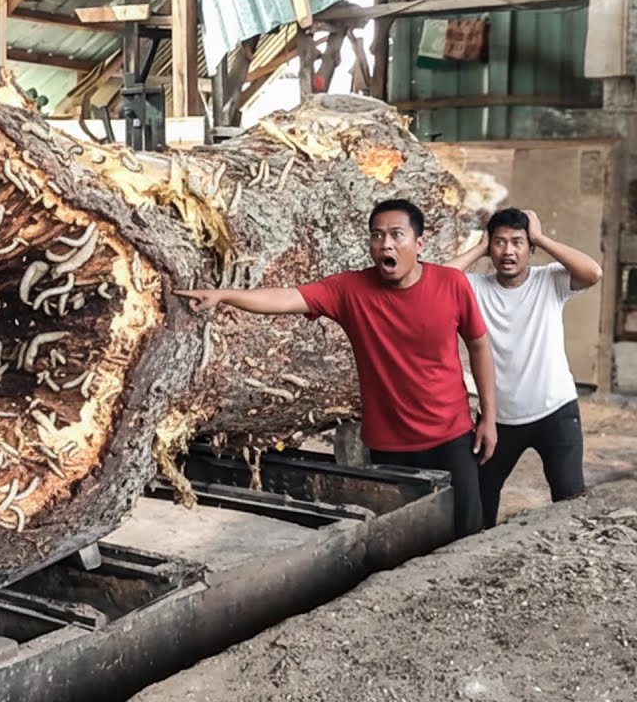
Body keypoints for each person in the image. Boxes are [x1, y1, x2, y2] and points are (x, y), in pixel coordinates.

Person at [175, 199, 497, 539]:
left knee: (466, 534)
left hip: (452, 436)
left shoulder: (452, 283)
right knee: (404, 542)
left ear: (420, 243)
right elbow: (287, 298)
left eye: (396, 235)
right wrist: (225, 295)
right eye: (377, 235)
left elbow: (479, 347)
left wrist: (489, 416)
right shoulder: (350, 290)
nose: (385, 243)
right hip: (390, 445)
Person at [444, 208, 601, 528]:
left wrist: (541, 237)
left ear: (531, 249)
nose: (509, 251)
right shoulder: (475, 288)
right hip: (498, 420)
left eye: (518, 242)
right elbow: (435, 282)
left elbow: (593, 272)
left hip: (556, 411)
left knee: (569, 499)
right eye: (500, 243)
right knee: (480, 502)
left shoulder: (550, 280)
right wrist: (479, 247)